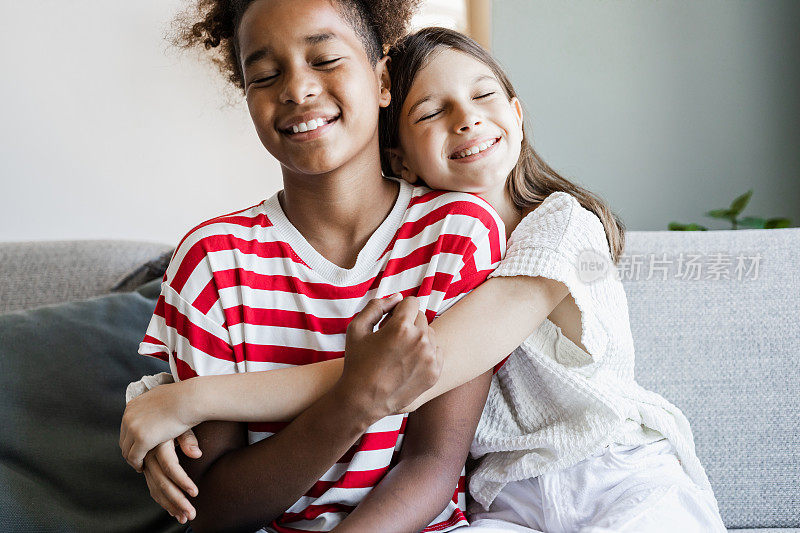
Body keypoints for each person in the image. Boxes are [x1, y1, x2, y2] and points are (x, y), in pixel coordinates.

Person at [122, 23, 728, 533]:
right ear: (400, 156)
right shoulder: (438, 244)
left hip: (611, 472)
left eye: (485, 97)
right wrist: (156, 396)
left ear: (517, 114)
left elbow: (401, 374)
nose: (467, 119)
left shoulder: (561, 230)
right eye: (433, 111)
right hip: (504, 499)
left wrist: (190, 399)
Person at [124, 1, 515, 532]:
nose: (297, 89)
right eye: (264, 74)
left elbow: (434, 465)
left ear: (381, 80)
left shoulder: (458, 232)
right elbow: (208, 511)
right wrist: (352, 404)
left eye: (325, 59)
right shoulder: (212, 260)